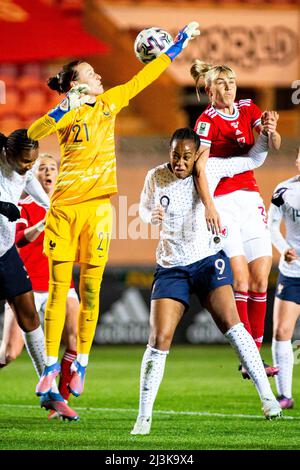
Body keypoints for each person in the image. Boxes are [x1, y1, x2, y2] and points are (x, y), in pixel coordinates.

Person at [27, 23, 201, 399]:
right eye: (92, 72)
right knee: (59, 291)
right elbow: (32, 133)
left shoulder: (110, 102)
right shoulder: (67, 112)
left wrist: (179, 44)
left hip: (99, 211)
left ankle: (82, 363)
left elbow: (146, 75)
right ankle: (51, 366)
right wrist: (63, 107)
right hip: (63, 212)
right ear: (77, 83)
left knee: (91, 290)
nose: (100, 74)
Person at [131, 128, 282, 436]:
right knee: (158, 340)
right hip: (172, 266)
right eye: (175, 155)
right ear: (169, 151)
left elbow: (254, 159)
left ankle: (268, 398)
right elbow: (144, 208)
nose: (180, 162)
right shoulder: (155, 176)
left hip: (207, 262)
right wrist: (151, 215)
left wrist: (265, 135)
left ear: (197, 153)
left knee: (234, 326)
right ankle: (143, 419)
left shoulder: (211, 169)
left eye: (186, 156)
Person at [190, 60, 281, 378]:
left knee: (261, 276)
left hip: (249, 197)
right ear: (209, 89)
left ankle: (256, 351)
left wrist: (270, 131)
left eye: (232, 81)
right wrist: (209, 207)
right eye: (222, 83)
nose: (229, 87)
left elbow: (270, 146)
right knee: (240, 278)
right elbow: (200, 169)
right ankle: (249, 357)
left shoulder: (248, 108)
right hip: (223, 201)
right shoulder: (206, 121)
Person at [0, 129, 78, 420]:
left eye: (31, 162)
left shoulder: (23, 164)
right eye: (23, 162)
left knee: (30, 318)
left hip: (5, 254)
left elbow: (29, 180)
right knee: (8, 351)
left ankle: (50, 393)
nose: (27, 167)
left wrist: (50, 207)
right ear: (7, 155)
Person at [268, 148, 300, 409]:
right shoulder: (283, 191)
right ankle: (285, 395)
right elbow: (271, 226)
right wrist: (284, 250)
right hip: (293, 272)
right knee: (281, 332)